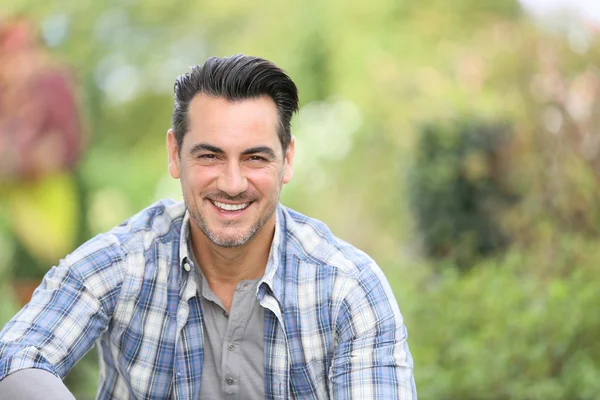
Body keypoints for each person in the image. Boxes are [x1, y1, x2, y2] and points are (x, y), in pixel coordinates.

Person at [0, 54, 416, 399]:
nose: (232, 184)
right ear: (174, 153)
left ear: (287, 160)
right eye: (210, 156)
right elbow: (16, 354)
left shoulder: (349, 288)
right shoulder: (126, 260)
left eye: (255, 158)